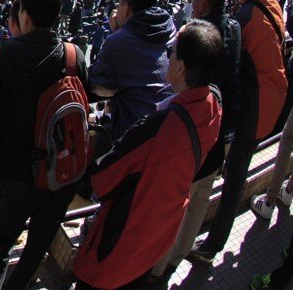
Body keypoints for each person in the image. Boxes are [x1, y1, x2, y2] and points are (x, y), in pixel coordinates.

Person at [72, 21, 223, 290]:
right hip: (161, 234)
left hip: (124, 239)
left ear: (180, 68)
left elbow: (101, 178)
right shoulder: (213, 106)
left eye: (172, 52)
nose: (167, 56)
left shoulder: (160, 126)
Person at [0, 0, 89, 290]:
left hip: (15, 174)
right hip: (58, 173)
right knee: (37, 247)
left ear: (24, 15)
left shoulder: (9, 52)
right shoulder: (73, 54)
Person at [189, 0, 287, 264]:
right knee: (233, 173)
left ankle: (211, 247)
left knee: (234, 179)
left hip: (256, 110)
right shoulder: (271, 3)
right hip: (272, 105)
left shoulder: (246, 17)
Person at [147, 0, 241, 278]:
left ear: (205, 1)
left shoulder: (197, 34)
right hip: (222, 129)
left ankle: (158, 269)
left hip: (197, 132)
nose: (191, 1)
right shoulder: (236, 28)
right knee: (200, 199)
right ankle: (176, 258)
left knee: (178, 203)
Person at [89, 0, 174, 144]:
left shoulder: (119, 42)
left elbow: (98, 87)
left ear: (126, 8)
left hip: (136, 141)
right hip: (167, 131)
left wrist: (114, 35)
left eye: (120, 3)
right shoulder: (171, 26)